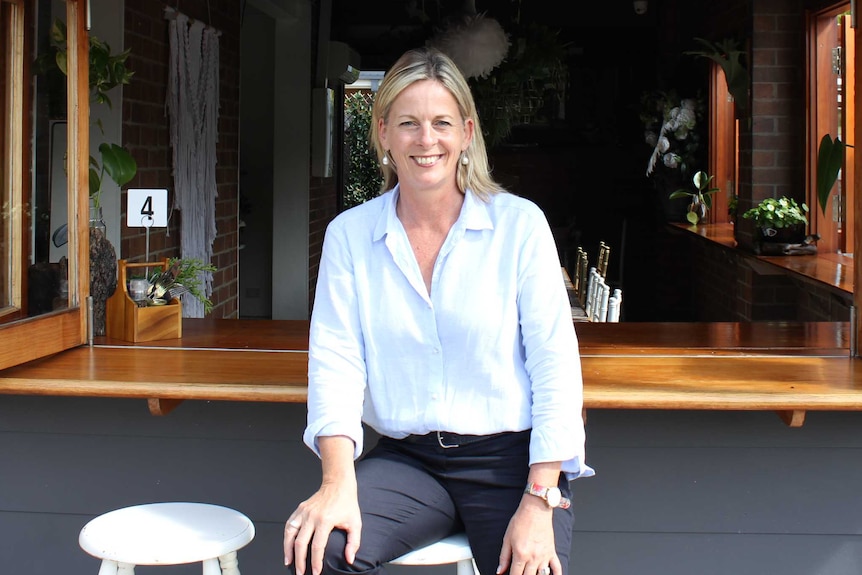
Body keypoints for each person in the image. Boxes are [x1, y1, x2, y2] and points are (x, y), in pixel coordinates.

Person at [284, 46, 592, 575]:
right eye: (408, 123)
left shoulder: (518, 226)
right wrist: (337, 483)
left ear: (466, 133)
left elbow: (556, 369)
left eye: (441, 123)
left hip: (511, 462)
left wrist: (540, 499)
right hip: (410, 459)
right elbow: (335, 365)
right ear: (382, 133)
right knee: (320, 552)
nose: (426, 140)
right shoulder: (351, 236)